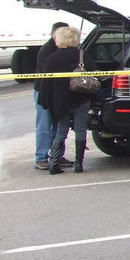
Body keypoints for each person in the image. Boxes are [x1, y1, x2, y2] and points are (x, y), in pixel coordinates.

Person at [40, 26, 92, 175]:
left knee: (61, 131)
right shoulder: (82, 55)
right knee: (81, 130)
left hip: (60, 101)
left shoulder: (52, 58)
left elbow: (46, 82)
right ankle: (79, 165)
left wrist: (45, 101)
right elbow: (95, 72)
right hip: (81, 98)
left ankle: (54, 164)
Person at [33, 21, 70, 170]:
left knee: (58, 126)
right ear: (55, 34)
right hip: (44, 92)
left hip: (56, 93)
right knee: (44, 125)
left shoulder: (61, 49)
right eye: (65, 33)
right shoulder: (47, 50)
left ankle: (57, 155)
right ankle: (41, 157)